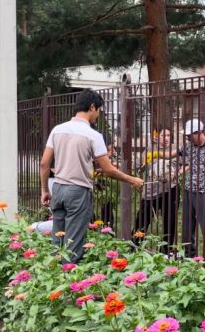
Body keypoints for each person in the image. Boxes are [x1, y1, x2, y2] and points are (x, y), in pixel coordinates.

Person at [40, 89, 143, 263]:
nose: (98, 115)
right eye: (98, 111)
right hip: (78, 192)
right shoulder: (93, 135)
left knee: (58, 238)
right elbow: (108, 169)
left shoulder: (57, 130)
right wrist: (131, 179)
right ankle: (69, 282)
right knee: (73, 242)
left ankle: (53, 272)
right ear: (92, 107)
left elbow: (44, 163)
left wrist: (44, 190)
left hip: (57, 188)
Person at [178, 118, 205, 261]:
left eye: (189, 135)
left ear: (198, 133)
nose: (187, 138)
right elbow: (175, 154)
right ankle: (189, 255)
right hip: (187, 191)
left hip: (204, 192)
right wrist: (157, 154)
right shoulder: (188, 146)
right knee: (187, 228)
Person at [133, 127, 181, 254]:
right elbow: (138, 167)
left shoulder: (175, 150)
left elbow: (185, 164)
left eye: (169, 136)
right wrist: (141, 168)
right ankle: (135, 247)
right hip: (151, 191)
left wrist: (176, 173)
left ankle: (167, 250)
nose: (166, 139)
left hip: (170, 190)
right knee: (142, 220)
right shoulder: (149, 149)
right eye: (163, 135)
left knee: (169, 221)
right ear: (157, 137)